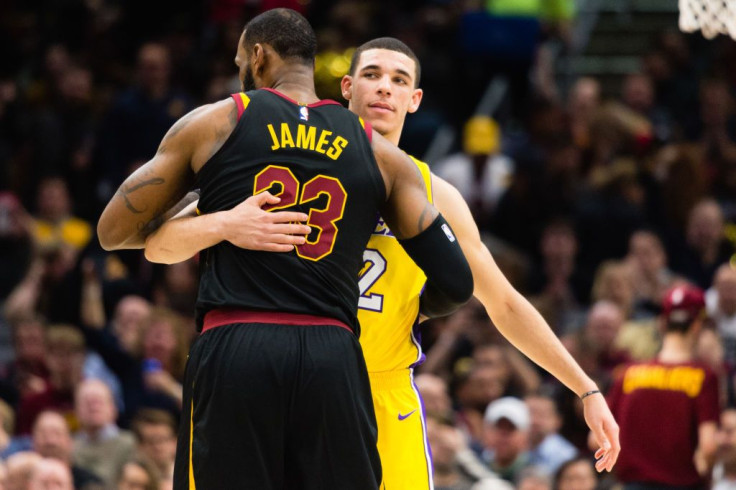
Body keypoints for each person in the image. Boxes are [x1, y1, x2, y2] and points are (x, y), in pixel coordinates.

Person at [146, 36, 620, 489]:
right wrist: (222, 223)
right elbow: (160, 241)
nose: (384, 87)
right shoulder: (282, 166)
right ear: (347, 87)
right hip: (290, 375)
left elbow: (503, 302)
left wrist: (586, 388)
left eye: (398, 79)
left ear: (414, 99)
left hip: (381, 388)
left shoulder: (437, 194)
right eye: (371, 74)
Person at [97, 9, 474, 490]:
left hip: (239, 341)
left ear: (257, 56)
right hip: (333, 354)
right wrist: (415, 312)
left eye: (239, 60)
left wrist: (221, 221)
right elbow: (457, 284)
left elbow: (115, 231)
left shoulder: (220, 120)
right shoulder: (381, 154)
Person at [607, 284, 720, 489]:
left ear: (662, 323)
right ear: (697, 326)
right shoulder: (703, 376)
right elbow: (709, 446)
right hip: (681, 485)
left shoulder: (628, 374)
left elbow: (596, 439)